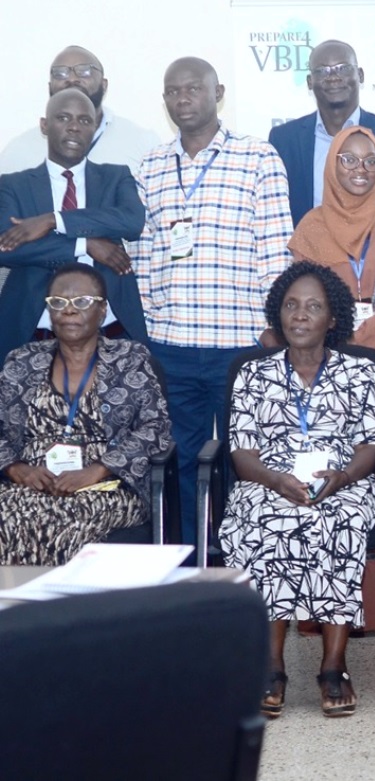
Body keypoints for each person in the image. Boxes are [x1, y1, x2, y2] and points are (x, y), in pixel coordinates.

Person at [135, 57, 294, 545]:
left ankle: (236, 568)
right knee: (177, 460)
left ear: (217, 93)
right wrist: (149, 328)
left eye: (193, 88)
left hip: (239, 343)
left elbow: (275, 251)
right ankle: (189, 567)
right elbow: (143, 256)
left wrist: (274, 329)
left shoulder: (258, 158)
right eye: (173, 91)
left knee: (242, 459)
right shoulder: (149, 166)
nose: (183, 98)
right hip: (171, 345)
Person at [219, 262, 375, 719]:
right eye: (291, 305)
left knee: (341, 519)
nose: (300, 315)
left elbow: (372, 444)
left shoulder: (361, 371)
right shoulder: (253, 375)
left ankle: (333, 665)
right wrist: (275, 481)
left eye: (314, 307)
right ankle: (270, 666)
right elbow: (242, 452)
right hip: (267, 480)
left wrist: (345, 477)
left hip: (342, 479)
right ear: (278, 313)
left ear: (333, 319)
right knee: (262, 520)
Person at [288, 125, 375, 632]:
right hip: (327, 375)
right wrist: (338, 351)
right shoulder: (311, 228)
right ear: (331, 166)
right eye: (348, 160)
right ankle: (323, 607)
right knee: (335, 473)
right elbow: (304, 299)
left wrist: (357, 344)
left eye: (371, 161)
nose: (360, 170)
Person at [0, 263, 171, 564]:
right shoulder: (21, 361)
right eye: (58, 303)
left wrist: (98, 470)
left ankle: (62, 609)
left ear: (102, 310)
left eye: (81, 302)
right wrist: (16, 469)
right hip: (32, 484)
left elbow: (155, 427)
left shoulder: (130, 358)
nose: (68, 310)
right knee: (7, 516)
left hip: (107, 487)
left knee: (61, 522)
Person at [0, 89, 147, 361]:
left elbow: (132, 221)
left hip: (112, 333)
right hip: (32, 333)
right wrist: (85, 244)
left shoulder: (115, 177)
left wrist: (54, 220)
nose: (74, 127)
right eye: (63, 118)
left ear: (94, 127)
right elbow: (6, 248)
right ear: (44, 125)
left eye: (84, 120)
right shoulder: (12, 185)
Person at [268, 40, 375, 225]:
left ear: (360, 75)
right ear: (310, 82)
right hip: (304, 252)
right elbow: (274, 216)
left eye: (343, 68)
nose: (333, 77)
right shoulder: (283, 141)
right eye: (322, 71)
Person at [0, 46, 161, 174]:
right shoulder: (18, 151)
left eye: (84, 71)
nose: (72, 79)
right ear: (49, 87)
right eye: (60, 73)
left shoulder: (143, 143)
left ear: (104, 85)